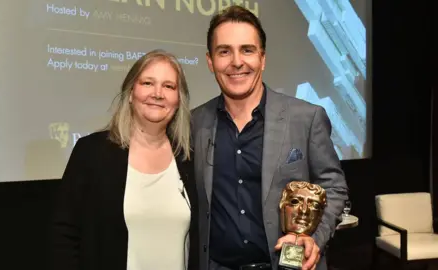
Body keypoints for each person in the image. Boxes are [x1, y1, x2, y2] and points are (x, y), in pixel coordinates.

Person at [191, 5, 349, 270]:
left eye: (247, 50)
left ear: (262, 59)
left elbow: (334, 188)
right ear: (210, 61)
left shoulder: (306, 118)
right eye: (224, 51)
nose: (236, 61)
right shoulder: (194, 123)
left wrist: (315, 238)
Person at [50, 49, 199, 270]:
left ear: (178, 100)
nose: (158, 93)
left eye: (169, 86)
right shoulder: (92, 152)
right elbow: (64, 236)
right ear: (130, 93)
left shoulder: (187, 158)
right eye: (148, 83)